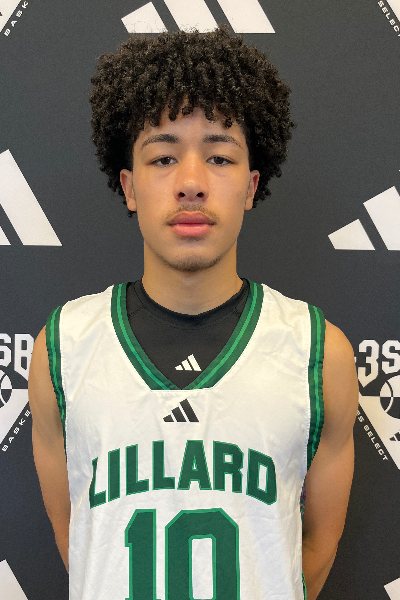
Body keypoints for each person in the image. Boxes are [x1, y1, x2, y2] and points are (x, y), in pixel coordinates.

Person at [28, 26, 359, 600]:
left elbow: (316, 548)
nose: (190, 184)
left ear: (251, 186)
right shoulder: (62, 348)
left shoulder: (318, 353)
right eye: (162, 157)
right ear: (129, 187)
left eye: (219, 157)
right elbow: (80, 542)